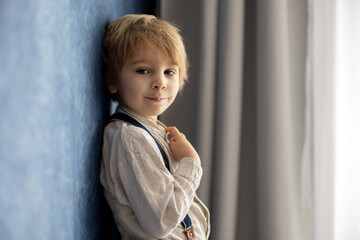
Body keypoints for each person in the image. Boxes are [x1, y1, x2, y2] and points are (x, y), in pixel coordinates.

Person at [100, 14, 210, 240]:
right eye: (143, 70)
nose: (160, 82)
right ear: (112, 80)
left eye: (169, 71)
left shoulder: (147, 129)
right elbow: (162, 220)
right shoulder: (131, 139)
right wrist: (191, 163)